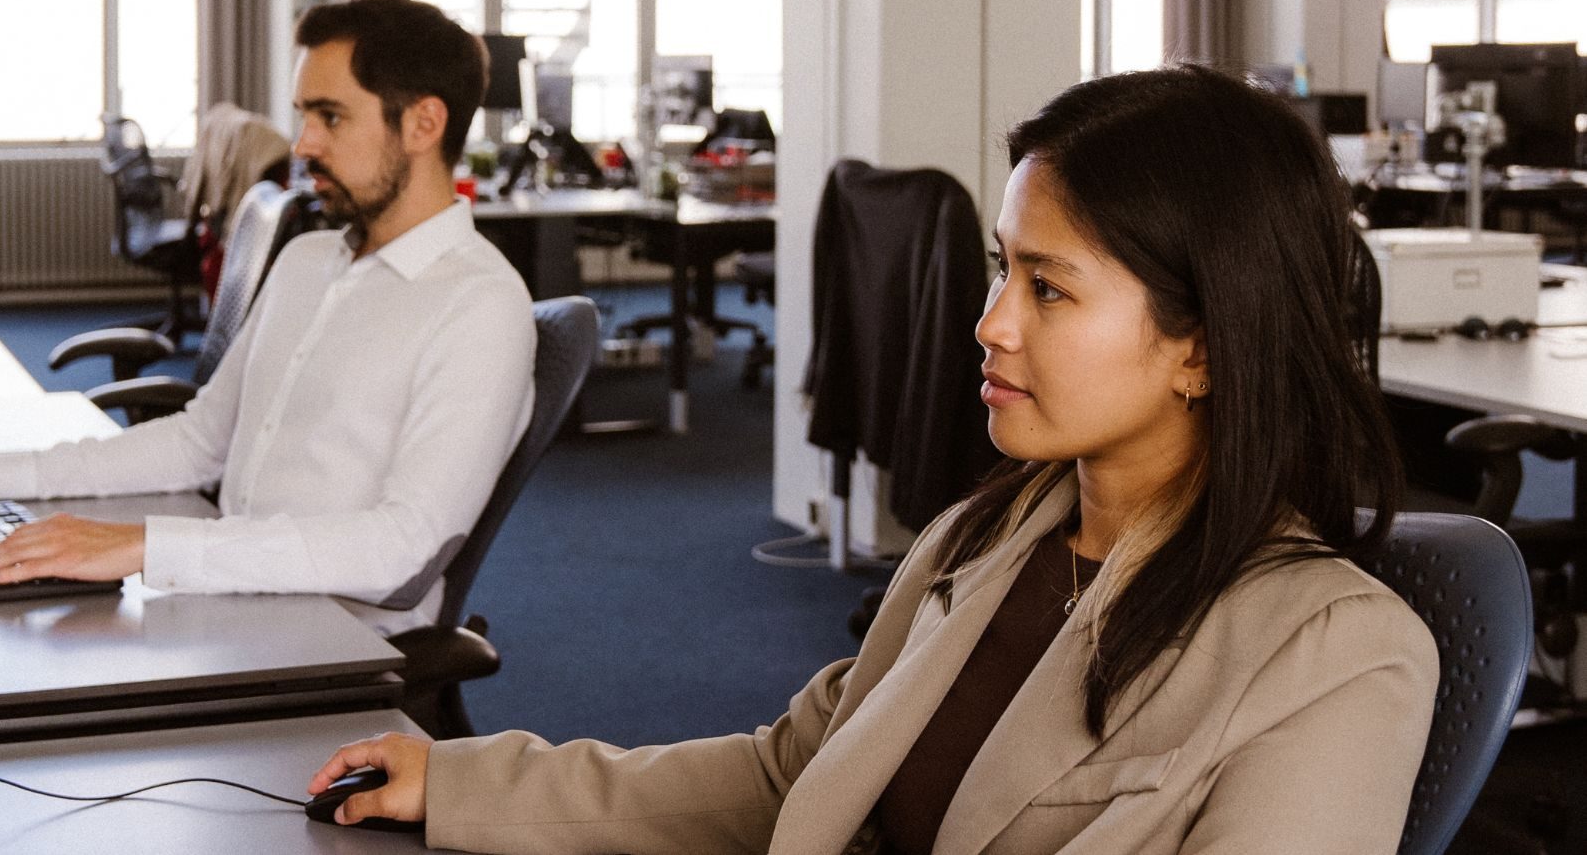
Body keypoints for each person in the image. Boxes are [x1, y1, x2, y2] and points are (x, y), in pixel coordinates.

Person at [307, 65, 1440, 853]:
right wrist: (464, 780)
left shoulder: (1330, 655)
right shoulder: (983, 540)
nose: (990, 323)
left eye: (1046, 288)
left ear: (1201, 344)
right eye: (1002, 271)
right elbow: (786, 778)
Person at [0, 0, 536, 635]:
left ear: (424, 123)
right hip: (227, 596)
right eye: (303, 116)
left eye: (330, 116)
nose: (302, 145)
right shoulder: (310, 259)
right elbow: (201, 442)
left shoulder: (480, 307)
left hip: (334, 643)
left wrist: (145, 544)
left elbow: (399, 550)